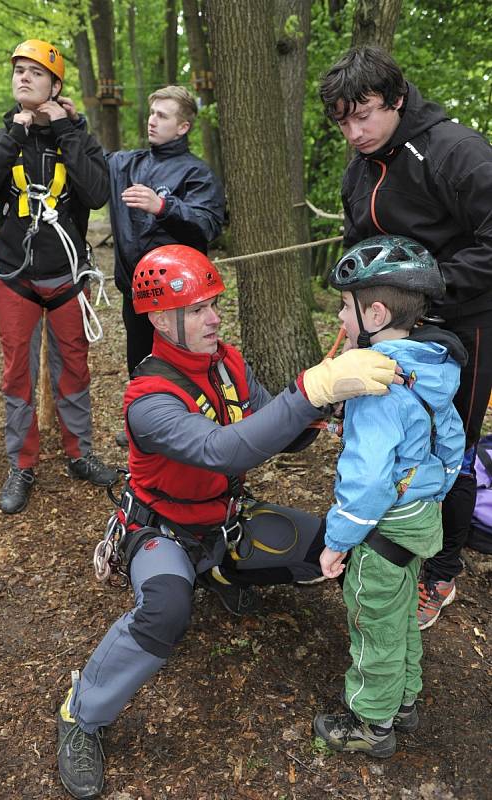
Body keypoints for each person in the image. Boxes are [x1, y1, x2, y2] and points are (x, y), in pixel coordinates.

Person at [56, 244, 402, 799]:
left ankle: (220, 574)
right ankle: (82, 713)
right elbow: (224, 450)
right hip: (162, 533)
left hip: (225, 523)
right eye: (197, 310)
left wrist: (326, 407)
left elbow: (273, 426)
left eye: (213, 304)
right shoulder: (148, 400)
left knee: (332, 547)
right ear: (160, 318)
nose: (214, 317)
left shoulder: (228, 363)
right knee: (167, 609)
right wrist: (310, 391)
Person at [319, 45, 492, 629]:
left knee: (453, 446)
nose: (354, 131)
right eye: (343, 120)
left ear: (395, 98)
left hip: (466, 320)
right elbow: (357, 245)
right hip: (386, 325)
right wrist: (354, 317)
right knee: (386, 436)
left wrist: (433, 286)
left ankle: (439, 574)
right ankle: (388, 540)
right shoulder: (359, 170)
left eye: (364, 113)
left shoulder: (456, 152)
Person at [313, 235, 465, 758]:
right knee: (401, 614)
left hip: (384, 528)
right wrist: (433, 492)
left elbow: (368, 479)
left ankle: (371, 724)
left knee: (372, 621)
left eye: (344, 307)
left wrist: (338, 540)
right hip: (421, 516)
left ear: (376, 313)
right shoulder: (432, 369)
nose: (339, 318)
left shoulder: (375, 386)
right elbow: (451, 442)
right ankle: (404, 700)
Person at [0, 39, 118, 514]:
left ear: (55, 85)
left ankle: (80, 455)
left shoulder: (77, 135)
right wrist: (15, 132)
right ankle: (22, 464)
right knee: (18, 373)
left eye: (35, 72)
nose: (24, 78)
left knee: (73, 368)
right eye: (19, 72)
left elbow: (96, 194)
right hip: (15, 275)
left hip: (68, 275)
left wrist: (68, 129)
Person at [107, 85, 225, 446]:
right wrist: (70, 122)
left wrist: (163, 207)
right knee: (141, 365)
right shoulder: (127, 164)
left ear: (184, 127)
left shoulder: (197, 174)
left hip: (181, 300)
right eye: (151, 113)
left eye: (162, 115)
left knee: (186, 364)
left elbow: (206, 225)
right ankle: (144, 427)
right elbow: (89, 161)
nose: (152, 121)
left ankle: (192, 430)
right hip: (136, 294)